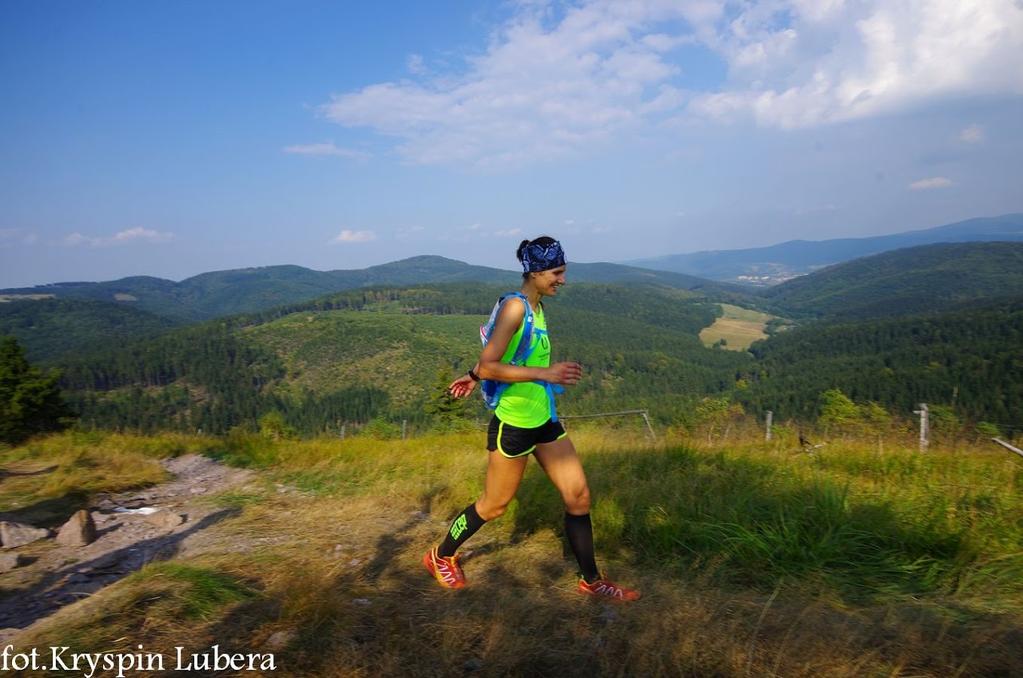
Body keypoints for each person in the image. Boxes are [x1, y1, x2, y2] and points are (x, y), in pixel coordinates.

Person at [422, 236, 640, 601]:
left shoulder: (537, 307)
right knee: (494, 506)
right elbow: (492, 363)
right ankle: (440, 555)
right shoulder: (515, 308)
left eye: (563, 272)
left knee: (579, 497)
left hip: (545, 420)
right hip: (515, 425)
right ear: (536, 272)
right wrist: (546, 374)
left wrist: (472, 377)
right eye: (557, 273)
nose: (562, 280)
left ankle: (592, 580)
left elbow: (498, 360)